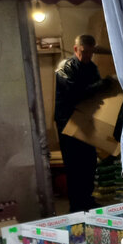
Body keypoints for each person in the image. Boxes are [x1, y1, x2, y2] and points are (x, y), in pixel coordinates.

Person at [53, 34, 104, 212]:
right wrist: (100, 87)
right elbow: (74, 92)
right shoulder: (65, 68)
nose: (87, 56)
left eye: (91, 52)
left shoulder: (92, 68)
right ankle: (76, 205)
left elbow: (97, 95)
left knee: (89, 162)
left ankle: (87, 200)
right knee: (74, 164)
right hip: (68, 124)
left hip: (87, 122)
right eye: (84, 52)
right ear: (76, 49)